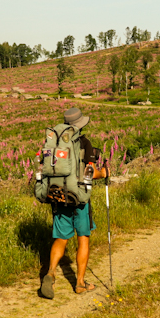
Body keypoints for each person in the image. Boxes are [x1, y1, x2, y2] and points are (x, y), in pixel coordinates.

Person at [40, 107, 108, 299]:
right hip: (79, 198)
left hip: (58, 195)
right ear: (80, 124)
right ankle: (79, 283)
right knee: (83, 238)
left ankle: (51, 273)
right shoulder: (83, 142)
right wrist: (103, 173)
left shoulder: (55, 142)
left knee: (61, 239)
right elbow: (90, 173)